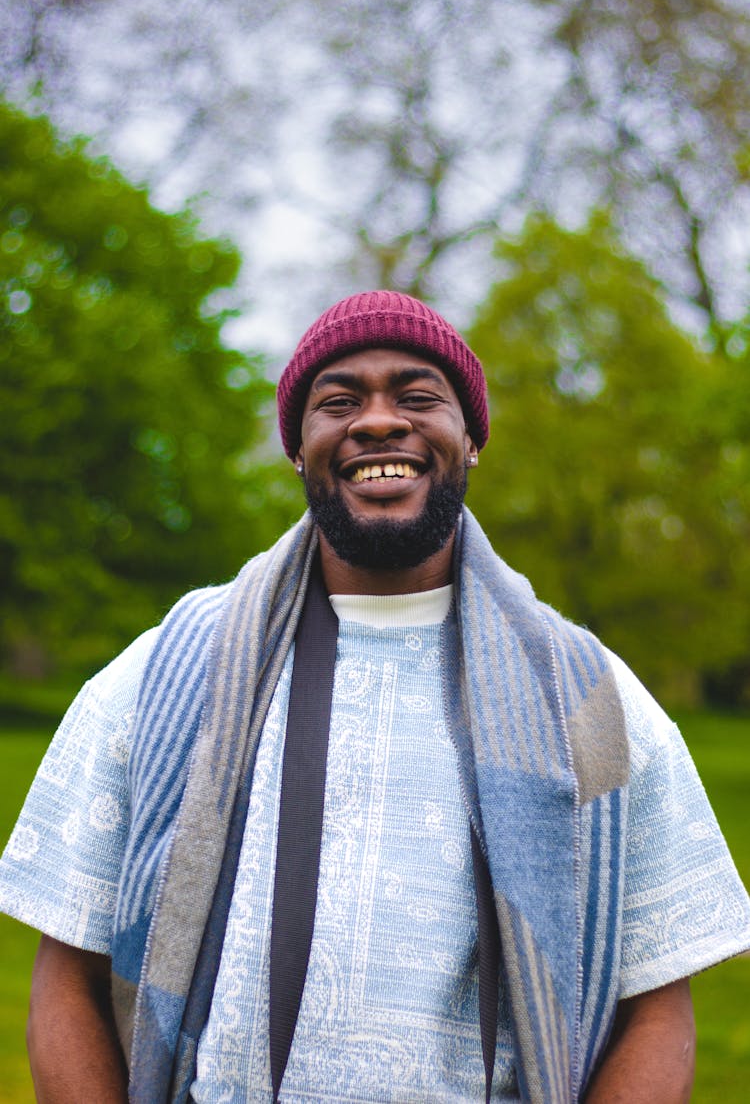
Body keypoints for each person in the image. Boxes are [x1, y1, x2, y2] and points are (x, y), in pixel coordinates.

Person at [1, 290, 749, 1104]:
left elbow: (654, 1005)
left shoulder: (587, 696)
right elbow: (69, 970)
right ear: (299, 448)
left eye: (419, 396)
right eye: (339, 401)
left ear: (471, 442)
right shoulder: (166, 674)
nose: (379, 421)